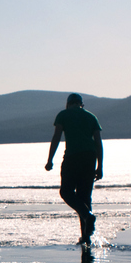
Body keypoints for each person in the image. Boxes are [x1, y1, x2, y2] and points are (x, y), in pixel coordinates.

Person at [45, 93, 103, 244]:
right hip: (89, 159)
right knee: (84, 198)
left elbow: (56, 137)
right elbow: (98, 143)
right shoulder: (91, 117)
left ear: (68, 104)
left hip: (72, 158)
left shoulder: (63, 115)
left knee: (66, 192)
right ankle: (86, 236)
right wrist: (100, 166)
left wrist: (50, 159)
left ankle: (87, 217)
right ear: (81, 104)